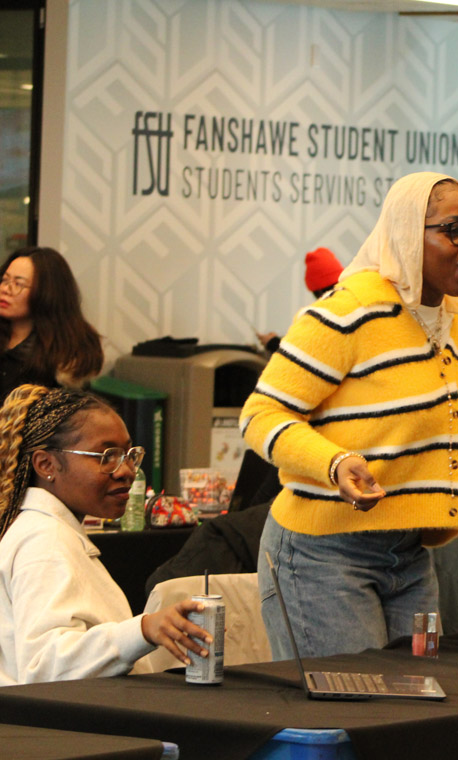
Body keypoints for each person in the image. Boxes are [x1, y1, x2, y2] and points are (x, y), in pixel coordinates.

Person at [240, 172, 458, 660]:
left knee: (415, 699)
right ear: (408, 233)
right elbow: (261, 413)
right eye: (454, 230)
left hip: (410, 553)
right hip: (323, 553)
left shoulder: (446, 318)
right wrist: (333, 463)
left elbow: (447, 415)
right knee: (356, 699)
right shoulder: (349, 311)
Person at [0, 385, 210, 685]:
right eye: (106, 456)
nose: (127, 470)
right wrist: (144, 630)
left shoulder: (45, 530)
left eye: (129, 455)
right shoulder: (44, 541)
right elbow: (44, 668)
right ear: (46, 465)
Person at [0, 247, 104, 402]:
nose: (5, 289)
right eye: (5, 280)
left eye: (18, 284)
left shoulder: (68, 355)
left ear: (47, 292)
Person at [256, 247, 344, 353]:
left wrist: (272, 342)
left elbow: (306, 352)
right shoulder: (354, 306)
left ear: (318, 291)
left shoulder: (324, 317)